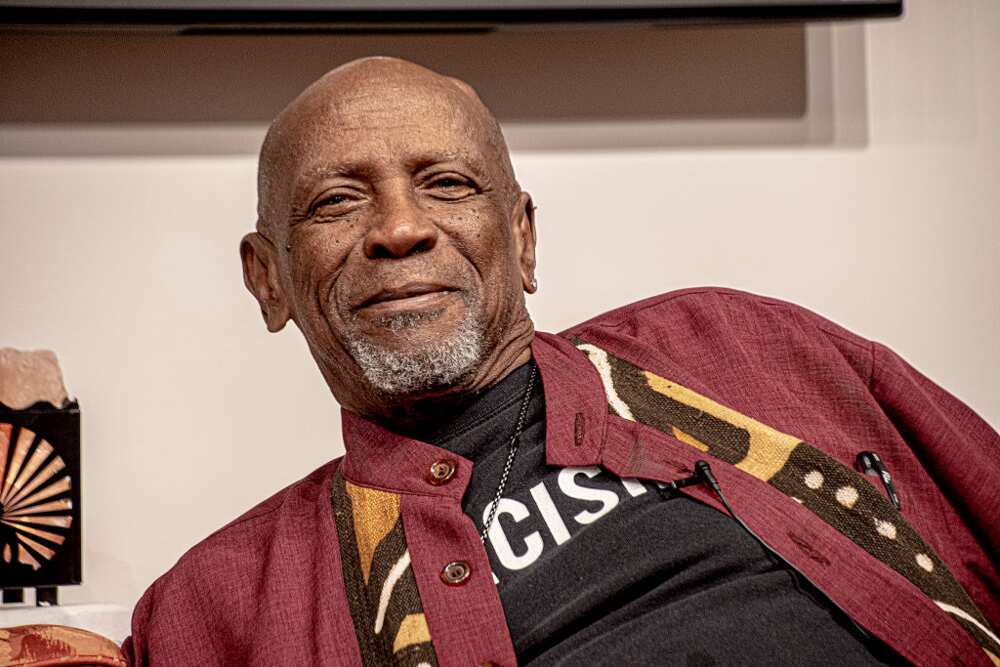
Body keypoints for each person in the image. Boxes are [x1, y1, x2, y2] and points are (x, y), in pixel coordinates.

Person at [122, 57, 999, 666]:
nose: (398, 228)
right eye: (337, 200)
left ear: (522, 236)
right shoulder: (219, 601)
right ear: (267, 278)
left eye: (448, 184)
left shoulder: (731, 345)